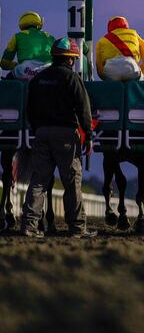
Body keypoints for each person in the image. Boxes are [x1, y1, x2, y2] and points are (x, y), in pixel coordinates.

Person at [21, 38, 95, 238]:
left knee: (38, 180)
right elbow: (83, 109)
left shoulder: (38, 79)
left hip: (42, 133)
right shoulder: (72, 79)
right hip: (65, 136)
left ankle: (29, 226)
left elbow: (29, 109)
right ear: (70, 60)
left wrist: (39, 129)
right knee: (72, 181)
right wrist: (88, 134)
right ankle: (77, 228)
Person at [95, 16, 144, 81]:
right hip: (130, 66)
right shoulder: (134, 34)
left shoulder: (102, 40)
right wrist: (142, 70)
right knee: (143, 85)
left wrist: (104, 77)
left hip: (110, 68)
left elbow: (99, 64)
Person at [1, 12, 55, 80]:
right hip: (48, 70)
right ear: (39, 23)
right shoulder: (49, 37)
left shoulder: (18, 36)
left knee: (9, 80)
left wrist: (13, 65)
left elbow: (6, 60)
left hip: (26, 69)